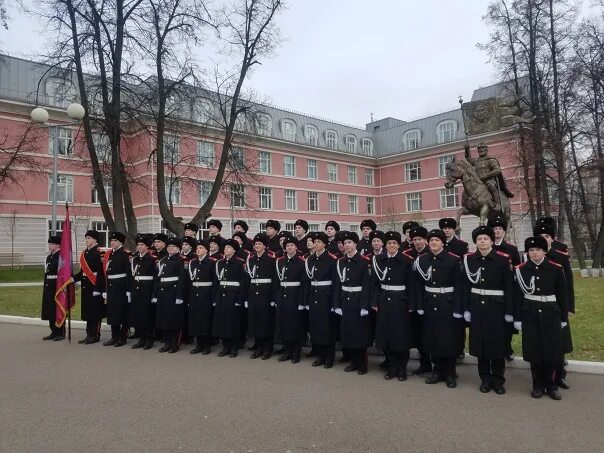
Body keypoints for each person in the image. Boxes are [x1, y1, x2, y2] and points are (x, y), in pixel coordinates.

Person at [514, 236, 567, 400]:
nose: (534, 253)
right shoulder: (521, 269)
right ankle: (537, 384)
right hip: (530, 313)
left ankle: (551, 385)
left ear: (544, 251)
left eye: (537, 249)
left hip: (551, 313)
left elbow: (562, 295)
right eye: (531, 250)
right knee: (534, 350)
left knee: (551, 350)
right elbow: (517, 296)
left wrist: (563, 318)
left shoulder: (556, 268)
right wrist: (518, 318)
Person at [463, 226, 514, 394]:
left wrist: (509, 310)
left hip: (497, 307)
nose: (482, 241)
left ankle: (498, 380)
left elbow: (508, 286)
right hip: (477, 306)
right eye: (479, 239)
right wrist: (467, 308)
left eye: (485, 238)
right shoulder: (469, 259)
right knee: (481, 343)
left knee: (497, 343)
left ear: (492, 241)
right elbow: (466, 286)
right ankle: (485, 378)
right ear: (475, 242)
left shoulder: (502, 259)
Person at [414, 229, 464, 388]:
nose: (434, 243)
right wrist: (420, 305)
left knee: (448, 338)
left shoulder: (453, 260)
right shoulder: (422, 260)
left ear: (443, 242)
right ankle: (436, 370)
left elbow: (459, 285)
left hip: (447, 303)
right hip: (430, 303)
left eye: (437, 240)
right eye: (432, 240)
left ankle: (449, 372)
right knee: (433, 337)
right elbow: (418, 285)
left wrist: (458, 307)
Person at [533, 223, 575, 390]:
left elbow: (568, 284)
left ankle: (560, 375)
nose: (544, 240)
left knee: (560, 342)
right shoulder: (532, 256)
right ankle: (542, 378)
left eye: (547, 237)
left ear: (552, 239)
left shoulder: (561, 257)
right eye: (541, 237)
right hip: (539, 306)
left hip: (558, 306)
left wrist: (569, 307)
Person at [371, 231, 415, 381]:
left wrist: (411, 304)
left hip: (400, 301)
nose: (391, 246)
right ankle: (392, 367)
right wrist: (374, 301)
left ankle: (402, 368)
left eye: (394, 243)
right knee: (386, 335)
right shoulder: (378, 259)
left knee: (401, 336)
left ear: (398, 245)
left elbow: (411, 285)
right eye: (389, 243)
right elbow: (375, 284)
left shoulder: (406, 260)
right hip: (383, 300)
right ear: (385, 245)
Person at [335, 231, 372, 375]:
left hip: (358, 300)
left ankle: (362, 363)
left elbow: (366, 284)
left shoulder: (363, 261)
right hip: (345, 299)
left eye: (349, 243)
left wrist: (364, 305)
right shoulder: (341, 261)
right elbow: (338, 284)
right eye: (345, 243)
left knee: (359, 333)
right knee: (348, 332)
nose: (347, 245)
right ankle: (353, 362)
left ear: (356, 244)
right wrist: (337, 304)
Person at [488, 214, 521, 362]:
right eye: (494, 229)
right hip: (491, 289)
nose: (497, 231)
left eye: (500, 228)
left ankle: (507, 348)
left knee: (507, 322)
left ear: (504, 231)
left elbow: (516, 269)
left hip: (507, 289)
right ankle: (494, 348)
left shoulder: (511, 249)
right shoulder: (486, 247)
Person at [306, 232, 340, 368]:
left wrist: (334, 302)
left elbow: (336, 282)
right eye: (315, 242)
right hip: (314, 295)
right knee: (315, 327)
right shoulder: (310, 259)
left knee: (327, 328)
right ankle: (319, 355)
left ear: (325, 244)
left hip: (326, 296)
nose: (316, 244)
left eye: (319, 242)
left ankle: (329, 357)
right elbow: (308, 281)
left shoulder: (331, 259)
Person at [213, 239, 250, 358]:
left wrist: (240, 299)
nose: (226, 249)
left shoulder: (240, 263)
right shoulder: (220, 263)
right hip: (222, 294)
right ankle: (225, 346)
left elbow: (243, 282)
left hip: (233, 295)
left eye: (228, 247)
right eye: (225, 247)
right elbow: (216, 282)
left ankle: (234, 347)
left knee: (233, 322)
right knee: (222, 321)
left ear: (234, 250)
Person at [245, 233, 279, 360]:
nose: (257, 246)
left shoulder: (271, 259)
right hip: (254, 293)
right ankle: (258, 347)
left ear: (265, 246)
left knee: (266, 322)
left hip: (266, 294)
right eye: (255, 244)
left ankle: (267, 348)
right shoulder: (251, 259)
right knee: (255, 322)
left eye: (259, 244)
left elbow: (275, 280)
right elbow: (248, 279)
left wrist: (273, 298)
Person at [403, 226, 432, 375]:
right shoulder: (407, 255)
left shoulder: (430, 254)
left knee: (430, 333)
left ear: (425, 240)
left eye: (420, 239)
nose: (417, 242)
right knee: (418, 334)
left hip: (428, 299)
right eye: (415, 239)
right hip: (411, 300)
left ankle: (439, 365)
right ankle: (424, 363)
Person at [440, 217, 468, 362]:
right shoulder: (438, 243)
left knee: (457, 323)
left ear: (453, 229)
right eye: (444, 228)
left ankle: (460, 349)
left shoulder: (461, 245)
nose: (446, 230)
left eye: (449, 228)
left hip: (455, 283)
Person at [275, 236, 308, 363]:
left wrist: (301, 301)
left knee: (295, 325)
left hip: (295, 296)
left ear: (296, 247)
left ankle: (296, 352)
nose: (289, 247)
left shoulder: (301, 262)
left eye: (291, 245)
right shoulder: (280, 261)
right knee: (284, 324)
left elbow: (304, 283)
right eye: (287, 246)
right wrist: (277, 298)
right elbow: (277, 282)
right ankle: (287, 351)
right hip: (283, 295)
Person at [98, 232, 132, 347]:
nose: (112, 243)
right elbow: (105, 274)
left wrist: (128, 289)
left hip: (121, 286)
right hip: (111, 286)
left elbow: (129, 273)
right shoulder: (109, 254)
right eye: (111, 241)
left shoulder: (125, 254)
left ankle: (122, 337)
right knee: (112, 312)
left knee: (122, 313)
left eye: (115, 241)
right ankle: (114, 336)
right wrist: (104, 290)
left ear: (121, 242)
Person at [154, 237, 187, 353]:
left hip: (173, 293)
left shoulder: (181, 260)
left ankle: (175, 344)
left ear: (178, 248)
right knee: (164, 318)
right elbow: (158, 278)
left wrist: (179, 296)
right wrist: (155, 294)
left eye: (173, 247)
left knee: (174, 319)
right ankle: (167, 343)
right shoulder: (163, 261)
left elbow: (182, 280)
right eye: (169, 247)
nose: (170, 248)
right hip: (163, 292)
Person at [72, 230, 104, 344]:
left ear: (95, 240)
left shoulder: (99, 253)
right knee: (88, 310)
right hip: (86, 285)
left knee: (95, 311)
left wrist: (99, 288)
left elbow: (101, 273)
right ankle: (88, 334)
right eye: (86, 238)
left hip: (95, 284)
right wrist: (72, 279)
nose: (87, 240)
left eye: (89, 238)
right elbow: (82, 272)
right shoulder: (84, 253)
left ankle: (95, 334)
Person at [464, 142, 514, 212]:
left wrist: (485, 175)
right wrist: (466, 149)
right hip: (479, 181)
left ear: (486, 149)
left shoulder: (491, 159)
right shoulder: (476, 161)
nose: (481, 150)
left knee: (491, 186)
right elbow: (468, 159)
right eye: (479, 149)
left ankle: (498, 204)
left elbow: (497, 170)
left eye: (482, 148)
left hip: (489, 180)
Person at [188, 239, 217, 355]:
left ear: (206, 250)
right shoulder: (193, 262)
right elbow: (190, 281)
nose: (198, 250)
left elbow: (215, 282)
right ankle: (199, 344)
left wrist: (213, 297)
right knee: (196, 319)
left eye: (201, 248)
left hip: (206, 293)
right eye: (197, 248)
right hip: (195, 293)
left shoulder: (212, 262)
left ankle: (207, 345)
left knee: (206, 320)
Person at [129, 234, 157, 350]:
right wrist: (130, 291)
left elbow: (156, 278)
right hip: (137, 289)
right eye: (138, 245)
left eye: (142, 245)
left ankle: (149, 339)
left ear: (147, 247)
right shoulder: (135, 259)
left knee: (147, 315)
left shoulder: (152, 259)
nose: (139, 247)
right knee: (138, 314)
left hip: (147, 290)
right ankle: (141, 338)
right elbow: (132, 277)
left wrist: (154, 294)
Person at [42, 234, 65, 341]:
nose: (49, 246)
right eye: (49, 244)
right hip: (49, 286)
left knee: (58, 309)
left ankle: (60, 332)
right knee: (50, 310)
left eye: (52, 244)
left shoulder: (61, 257)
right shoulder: (49, 257)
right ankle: (53, 331)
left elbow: (64, 273)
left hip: (57, 286)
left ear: (58, 245)